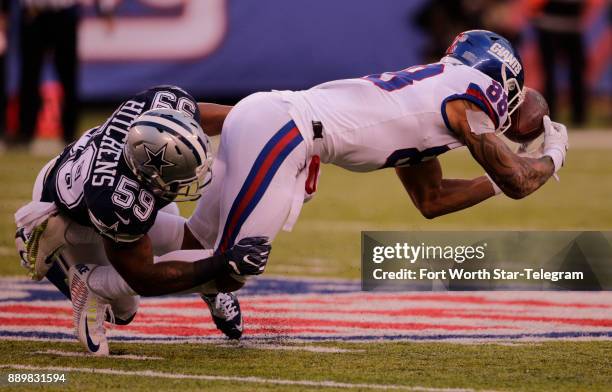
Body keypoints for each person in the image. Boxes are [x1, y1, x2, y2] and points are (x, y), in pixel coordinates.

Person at [181, 30, 569, 336]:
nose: (511, 105)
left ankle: (131, 259)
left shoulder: (434, 97)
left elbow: (431, 199)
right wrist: (551, 158)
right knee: (234, 267)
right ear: (498, 77)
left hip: (274, 121)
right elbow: (518, 181)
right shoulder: (469, 89)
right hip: (286, 132)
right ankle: (119, 286)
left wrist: (496, 181)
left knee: (195, 243)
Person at [15, 85, 270, 355]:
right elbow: (144, 277)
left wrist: (250, 121)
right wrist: (218, 265)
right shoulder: (115, 199)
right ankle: (58, 252)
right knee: (124, 311)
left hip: (85, 177)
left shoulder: (160, 106)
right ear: (149, 173)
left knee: (191, 240)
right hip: (68, 213)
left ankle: (210, 290)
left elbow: (193, 115)